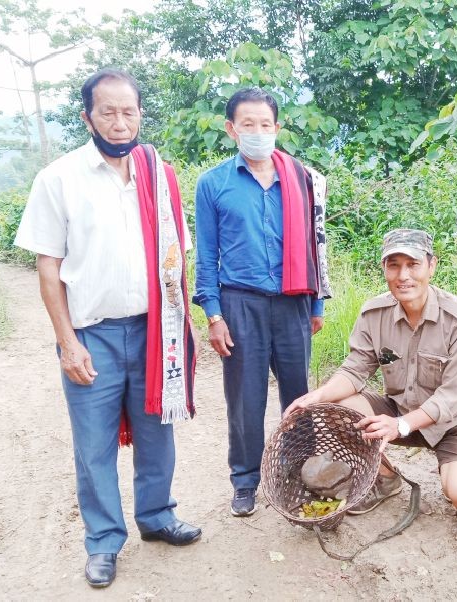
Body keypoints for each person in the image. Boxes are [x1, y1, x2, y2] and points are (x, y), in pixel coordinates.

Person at [14, 69, 201, 589]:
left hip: (153, 329)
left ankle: (157, 515)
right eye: (108, 112)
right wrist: (68, 342)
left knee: (157, 431)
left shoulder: (158, 175)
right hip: (91, 333)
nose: (120, 123)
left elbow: (175, 257)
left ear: (140, 113)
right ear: (87, 117)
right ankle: (103, 541)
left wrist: (182, 329)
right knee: (93, 445)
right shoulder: (60, 178)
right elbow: (48, 267)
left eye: (129, 111)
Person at [193, 87, 332, 517]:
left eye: (265, 124)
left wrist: (318, 304)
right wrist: (214, 315)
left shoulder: (304, 180)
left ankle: (300, 473)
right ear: (231, 128)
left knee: (299, 396)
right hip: (240, 304)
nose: (257, 131)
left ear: (278, 127)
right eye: (247, 124)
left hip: (293, 303)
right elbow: (205, 256)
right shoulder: (213, 183)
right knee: (244, 398)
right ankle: (245, 481)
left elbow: (317, 245)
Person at [284, 229, 457, 514]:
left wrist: (401, 425)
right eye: (394, 265)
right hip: (398, 409)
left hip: (454, 421)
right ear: (384, 269)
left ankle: (455, 468)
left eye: (413, 264)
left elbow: (454, 393)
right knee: (334, 407)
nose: (403, 275)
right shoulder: (373, 314)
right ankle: (386, 478)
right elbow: (355, 371)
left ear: (431, 265)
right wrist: (316, 396)